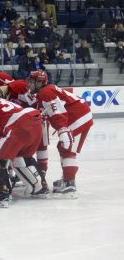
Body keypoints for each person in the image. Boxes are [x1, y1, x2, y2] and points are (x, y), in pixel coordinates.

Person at [29, 70, 93, 198]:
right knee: (63, 147)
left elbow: (57, 112)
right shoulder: (45, 91)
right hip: (78, 114)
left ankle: (70, 184)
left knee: (67, 148)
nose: (29, 84)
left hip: (78, 116)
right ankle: (67, 179)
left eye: (31, 81)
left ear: (39, 82)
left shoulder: (45, 92)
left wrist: (62, 129)